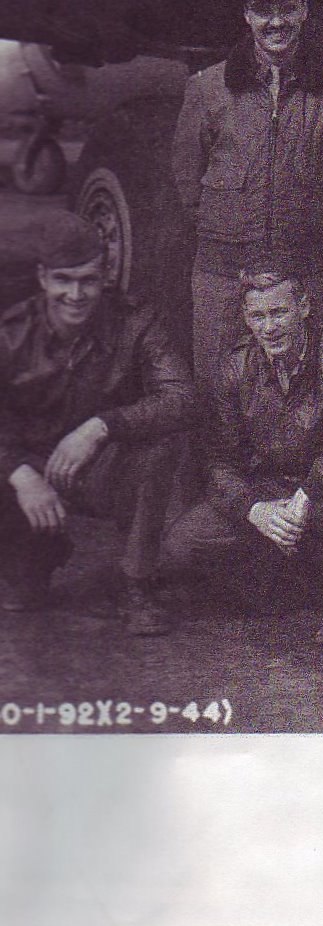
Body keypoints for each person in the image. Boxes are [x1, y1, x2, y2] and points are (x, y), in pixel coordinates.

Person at [171, 0, 323, 386]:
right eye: (264, 10)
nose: (276, 22)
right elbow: (187, 177)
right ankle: (221, 457)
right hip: (223, 269)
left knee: (313, 385)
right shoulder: (208, 88)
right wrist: (224, 226)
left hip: (305, 264)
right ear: (247, 15)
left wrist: (313, 220)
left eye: (287, 8)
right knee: (219, 384)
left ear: (304, 10)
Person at [162, 265, 323, 647]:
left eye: (278, 312)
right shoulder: (236, 366)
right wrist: (254, 509)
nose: (268, 327)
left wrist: (311, 490)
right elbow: (219, 459)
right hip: (271, 490)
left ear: (303, 307)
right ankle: (282, 577)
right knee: (183, 544)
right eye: (257, 316)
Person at [0, 212, 193, 633]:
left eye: (87, 279)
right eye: (63, 280)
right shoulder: (10, 332)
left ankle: (136, 582)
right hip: (25, 471)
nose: (75, 293)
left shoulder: (136, 322)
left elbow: (181, 397)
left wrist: (101, 426)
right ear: (43, 278)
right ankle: (38, 550)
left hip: (97, 469)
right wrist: (21, 475)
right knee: (21, 595)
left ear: (106, 273)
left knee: (163, 443)